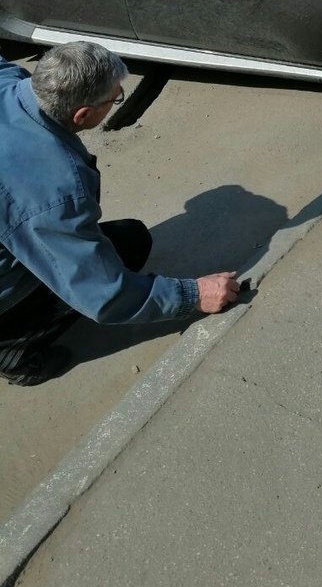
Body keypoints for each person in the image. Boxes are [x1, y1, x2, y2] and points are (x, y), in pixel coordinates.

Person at [0, 42, 241, 386]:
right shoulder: (53, 191)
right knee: (128, 246)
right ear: (82, 115)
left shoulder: (8, 79)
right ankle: (12, 346)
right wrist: (192, 295)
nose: (117, 100)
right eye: (114, 99)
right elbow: (102, 291)